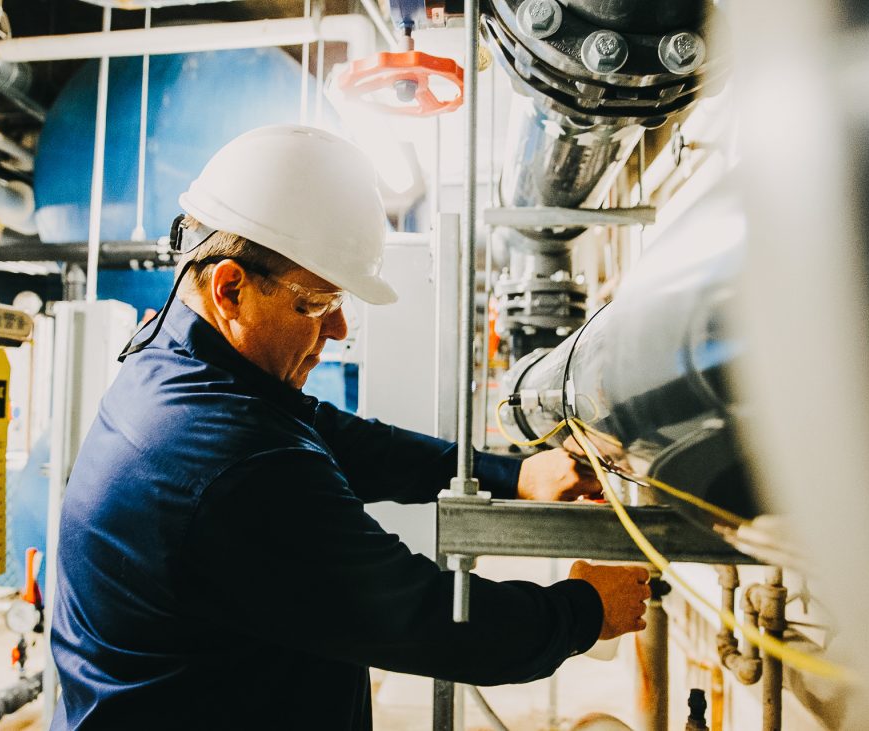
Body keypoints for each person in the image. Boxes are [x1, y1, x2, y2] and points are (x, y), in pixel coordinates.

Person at [50, 124, 650, 730]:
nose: (336, 331)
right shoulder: (231, 462)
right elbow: (424, 621)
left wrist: (513, 474)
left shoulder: (182, 367)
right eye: (314, 305)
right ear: (231, 288)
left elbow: (345, 439)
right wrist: (585, 609)